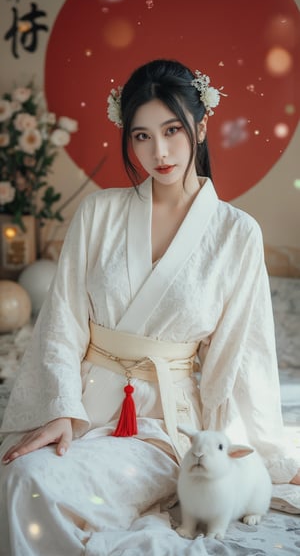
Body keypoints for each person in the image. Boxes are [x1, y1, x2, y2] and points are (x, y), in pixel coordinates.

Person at [0, 59, 299, 556]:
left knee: (31, 484)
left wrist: (271, 456)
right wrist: (59, 408)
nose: (158, 152)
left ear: (201, 128)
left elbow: (246, 354)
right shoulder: (98, 213)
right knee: (17, 475)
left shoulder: (236, 233)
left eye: (173, 130)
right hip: (79, 409)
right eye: (141, 136)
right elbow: (61, 324)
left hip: (164, 427)